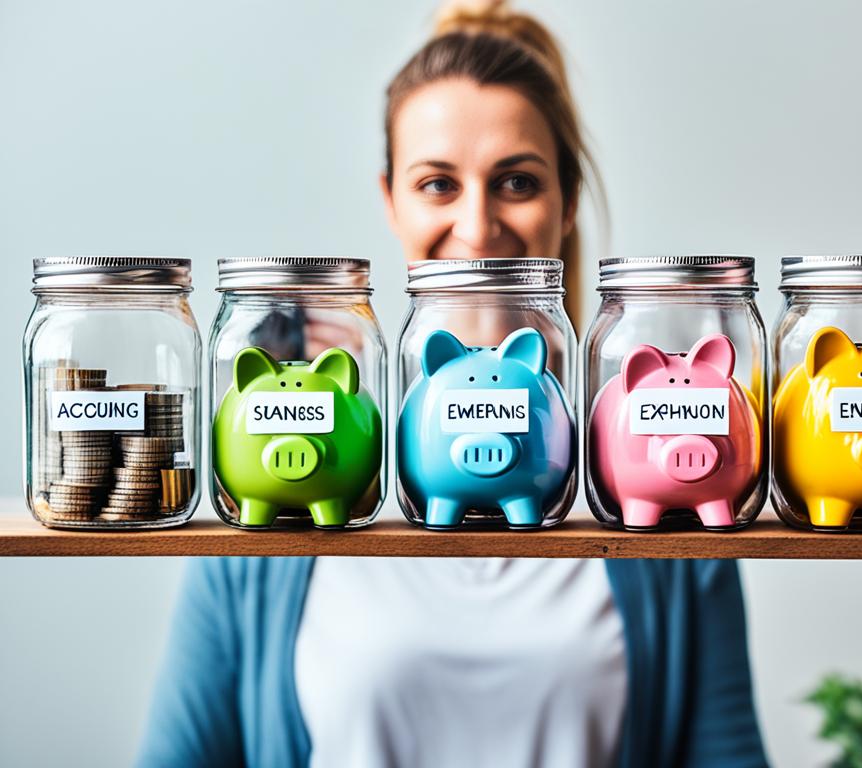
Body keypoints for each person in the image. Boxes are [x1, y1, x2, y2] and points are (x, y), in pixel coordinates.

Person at [136, 3, 768, 767]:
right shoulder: (282, 490)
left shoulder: (651, 472)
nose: (476, 225)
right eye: (438, 183)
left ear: (567, 202)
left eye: (516, 182)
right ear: (390, 199)